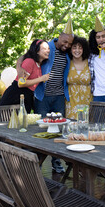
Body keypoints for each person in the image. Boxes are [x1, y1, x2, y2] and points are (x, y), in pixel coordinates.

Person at [16, 18, 74, 173]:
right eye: (65, 42)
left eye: (69, 44)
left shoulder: (67, 53)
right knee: (41, 128)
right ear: (60, 37)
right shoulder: (46, 47)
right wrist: (19, 70)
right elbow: (24, 57)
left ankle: (57, 162)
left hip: (59, 97)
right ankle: (37, 163)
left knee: (59, 129)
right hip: (42, 96)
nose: (66, 45)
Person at [0, 39, 50, 113]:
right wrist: (41, 79)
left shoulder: (38, 64)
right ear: (37, 51)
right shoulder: (30, 61)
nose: (48, 51)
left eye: (48, 48)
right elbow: (21, 83)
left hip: (26, 97)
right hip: (14, 97)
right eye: (44, 49)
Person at [65, 36, 92, 120]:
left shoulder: (90, 62)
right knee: (71, 127)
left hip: (87, 100)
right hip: (71, 101)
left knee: (86, 127)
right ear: (70, 49)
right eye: (74, 47)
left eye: (80, 48)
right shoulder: (67, 62)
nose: (77, 50)